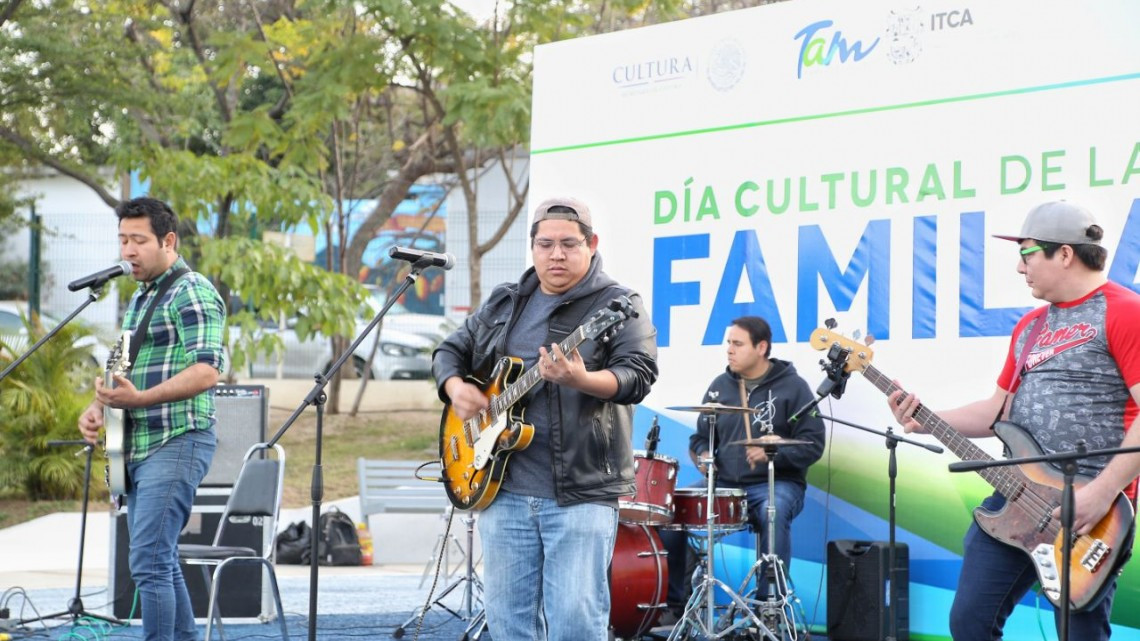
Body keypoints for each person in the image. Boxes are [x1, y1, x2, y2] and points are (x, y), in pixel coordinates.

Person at [889, 201, 1140, 640]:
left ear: (1064, 253)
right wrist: (924, 418)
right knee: (969, 623)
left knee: (1079, 634)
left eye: (1027, 253)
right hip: (1015, 500)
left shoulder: (1125, 311)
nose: (1020, 267)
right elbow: (995, 413)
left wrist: (1101, 493)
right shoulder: (1030, 326)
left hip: (1087, 513)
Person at [432, 196, 658, 640]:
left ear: (592, 244)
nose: (557, 254)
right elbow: (449, 350)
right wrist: (455, 387)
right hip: (502, 490)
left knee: (575, 622)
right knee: (509, 622)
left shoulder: (617, 303)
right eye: (546, 244)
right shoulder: (506, 302)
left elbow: (639, 375)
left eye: (569, 244)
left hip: (580, 494)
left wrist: (581, 379)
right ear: (532, 247)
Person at [78, 197, 227, 641]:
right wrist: (98, 407)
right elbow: (120, 366)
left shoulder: (193, 290)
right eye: (123, 240)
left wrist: (140, 399)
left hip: (178, 440)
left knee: (148, 561)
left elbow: (207, 370)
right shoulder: (142, 298)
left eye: (138, 240)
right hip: (139, 445)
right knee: (158, 560)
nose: (127, 251)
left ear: (168, 240)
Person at [660, 316, 826, 615]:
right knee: (672, 511)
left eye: (737, 344)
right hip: (725, 482)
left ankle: (769, 606)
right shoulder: (720, 386)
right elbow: (700, 437)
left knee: (770, 513)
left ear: (761, 347)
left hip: (777, 483)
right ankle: (674, 605)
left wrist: (772, 451)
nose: (729, 350)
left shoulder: (794, 388)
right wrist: (702, 456)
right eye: (728, 343)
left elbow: (813, 445)